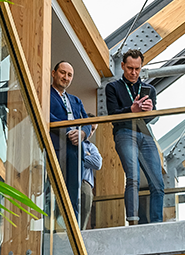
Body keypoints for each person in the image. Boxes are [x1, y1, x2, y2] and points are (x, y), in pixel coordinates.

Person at [104, 49, 164, 225]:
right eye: (130, 68)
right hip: (124, 133)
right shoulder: (112, 87)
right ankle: (133, 221)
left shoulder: (149, 89)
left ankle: (157, 223)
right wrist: (131, 110)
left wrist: (150, 111)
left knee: (158, 181)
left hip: (145, 133)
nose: (133, 72)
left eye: (137, 69)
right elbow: (112, 114)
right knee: (133, 177)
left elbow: (152, 118)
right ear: (122, 66)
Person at [48, 61, 92, 216]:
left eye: (69, 75)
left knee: (74, 190)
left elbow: (87, 121)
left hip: (75, 149)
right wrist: (68, 131)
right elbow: (45, 115)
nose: (65, 77)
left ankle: (72, 224)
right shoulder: (46, 95)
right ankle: (53, 225)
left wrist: (83, 134)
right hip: (55, 147)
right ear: (53, 73)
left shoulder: (76, 100)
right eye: (62, 73)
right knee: (53, 188)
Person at [80, 138, 102, 228]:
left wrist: (79, 156)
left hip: (85, 183)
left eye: (93, 130)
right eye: (91, 129)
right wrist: (86, 155)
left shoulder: (90, 146)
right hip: (67, 180)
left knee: (83, 217)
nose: (91, 132)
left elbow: (97, 163)